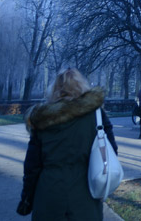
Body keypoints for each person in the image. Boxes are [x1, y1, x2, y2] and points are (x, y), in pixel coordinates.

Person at [16, 68, 117, 219]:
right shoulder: (96, 115)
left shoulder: (42, 118)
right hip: (85, 193)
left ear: (55, 89)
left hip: (49, 192)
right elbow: (110, 151)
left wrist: (26, 200)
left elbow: (32, 166)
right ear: (82, 86)